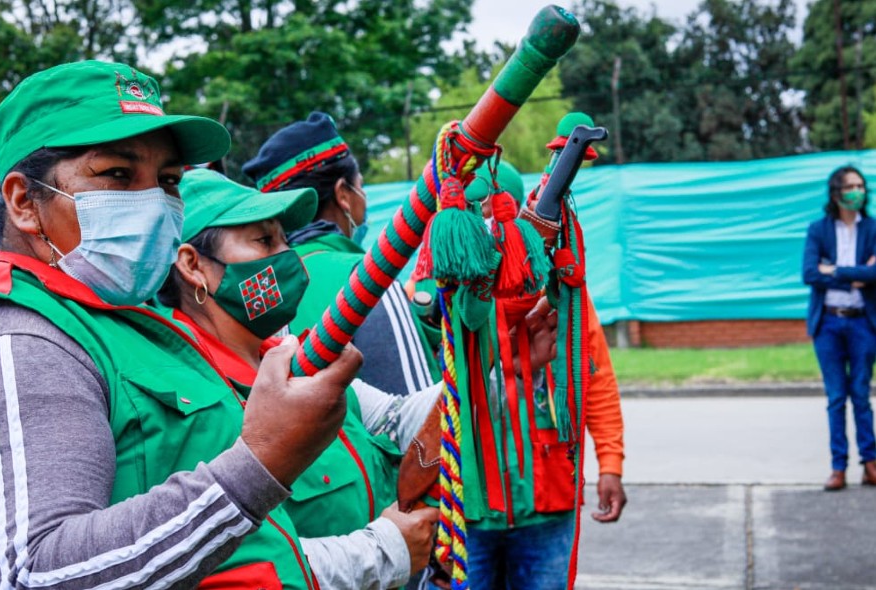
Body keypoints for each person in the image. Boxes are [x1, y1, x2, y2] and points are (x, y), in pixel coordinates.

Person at [0, 60, 362, 589]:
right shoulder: (9, 337)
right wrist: (262, 463)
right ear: (25, 202)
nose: (153, 202)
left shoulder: (122, 317)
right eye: (117, 174)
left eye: (167, 181)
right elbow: (35, 573)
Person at [153, 168, 445, 589]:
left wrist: (486, 362)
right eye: (264, 241)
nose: (285, 256)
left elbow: (397, 419)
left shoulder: (291, 359)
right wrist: (386, 549)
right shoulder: (189, 402)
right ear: (192, 265)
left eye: (284, 240)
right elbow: (236, 562)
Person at [461, 159, 627, 590]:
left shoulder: (560, 293)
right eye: (475, 215)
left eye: (497, 214)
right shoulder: (443, 304)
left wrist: (610, 462)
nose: (490, 230)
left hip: (549, 500)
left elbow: (596, 379)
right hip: (469, 514)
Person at [243, 112, 438, 396]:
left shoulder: (255, 289)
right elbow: (420, 411)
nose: (364, 198)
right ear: (343, 194)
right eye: (360, 186)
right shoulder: (367, 277)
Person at [802, 165, 876, 491]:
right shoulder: (818, 230)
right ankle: (838, 467)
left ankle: (871, 463)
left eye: (861, 186)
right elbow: (808, 273)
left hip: (862, 322)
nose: (857, 191)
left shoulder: (873, 229)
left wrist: (833, 269)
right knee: (836, 397)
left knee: (861, 394)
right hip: (829, 323)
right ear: (836, 193)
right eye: (851, 186)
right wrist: (856, 273)